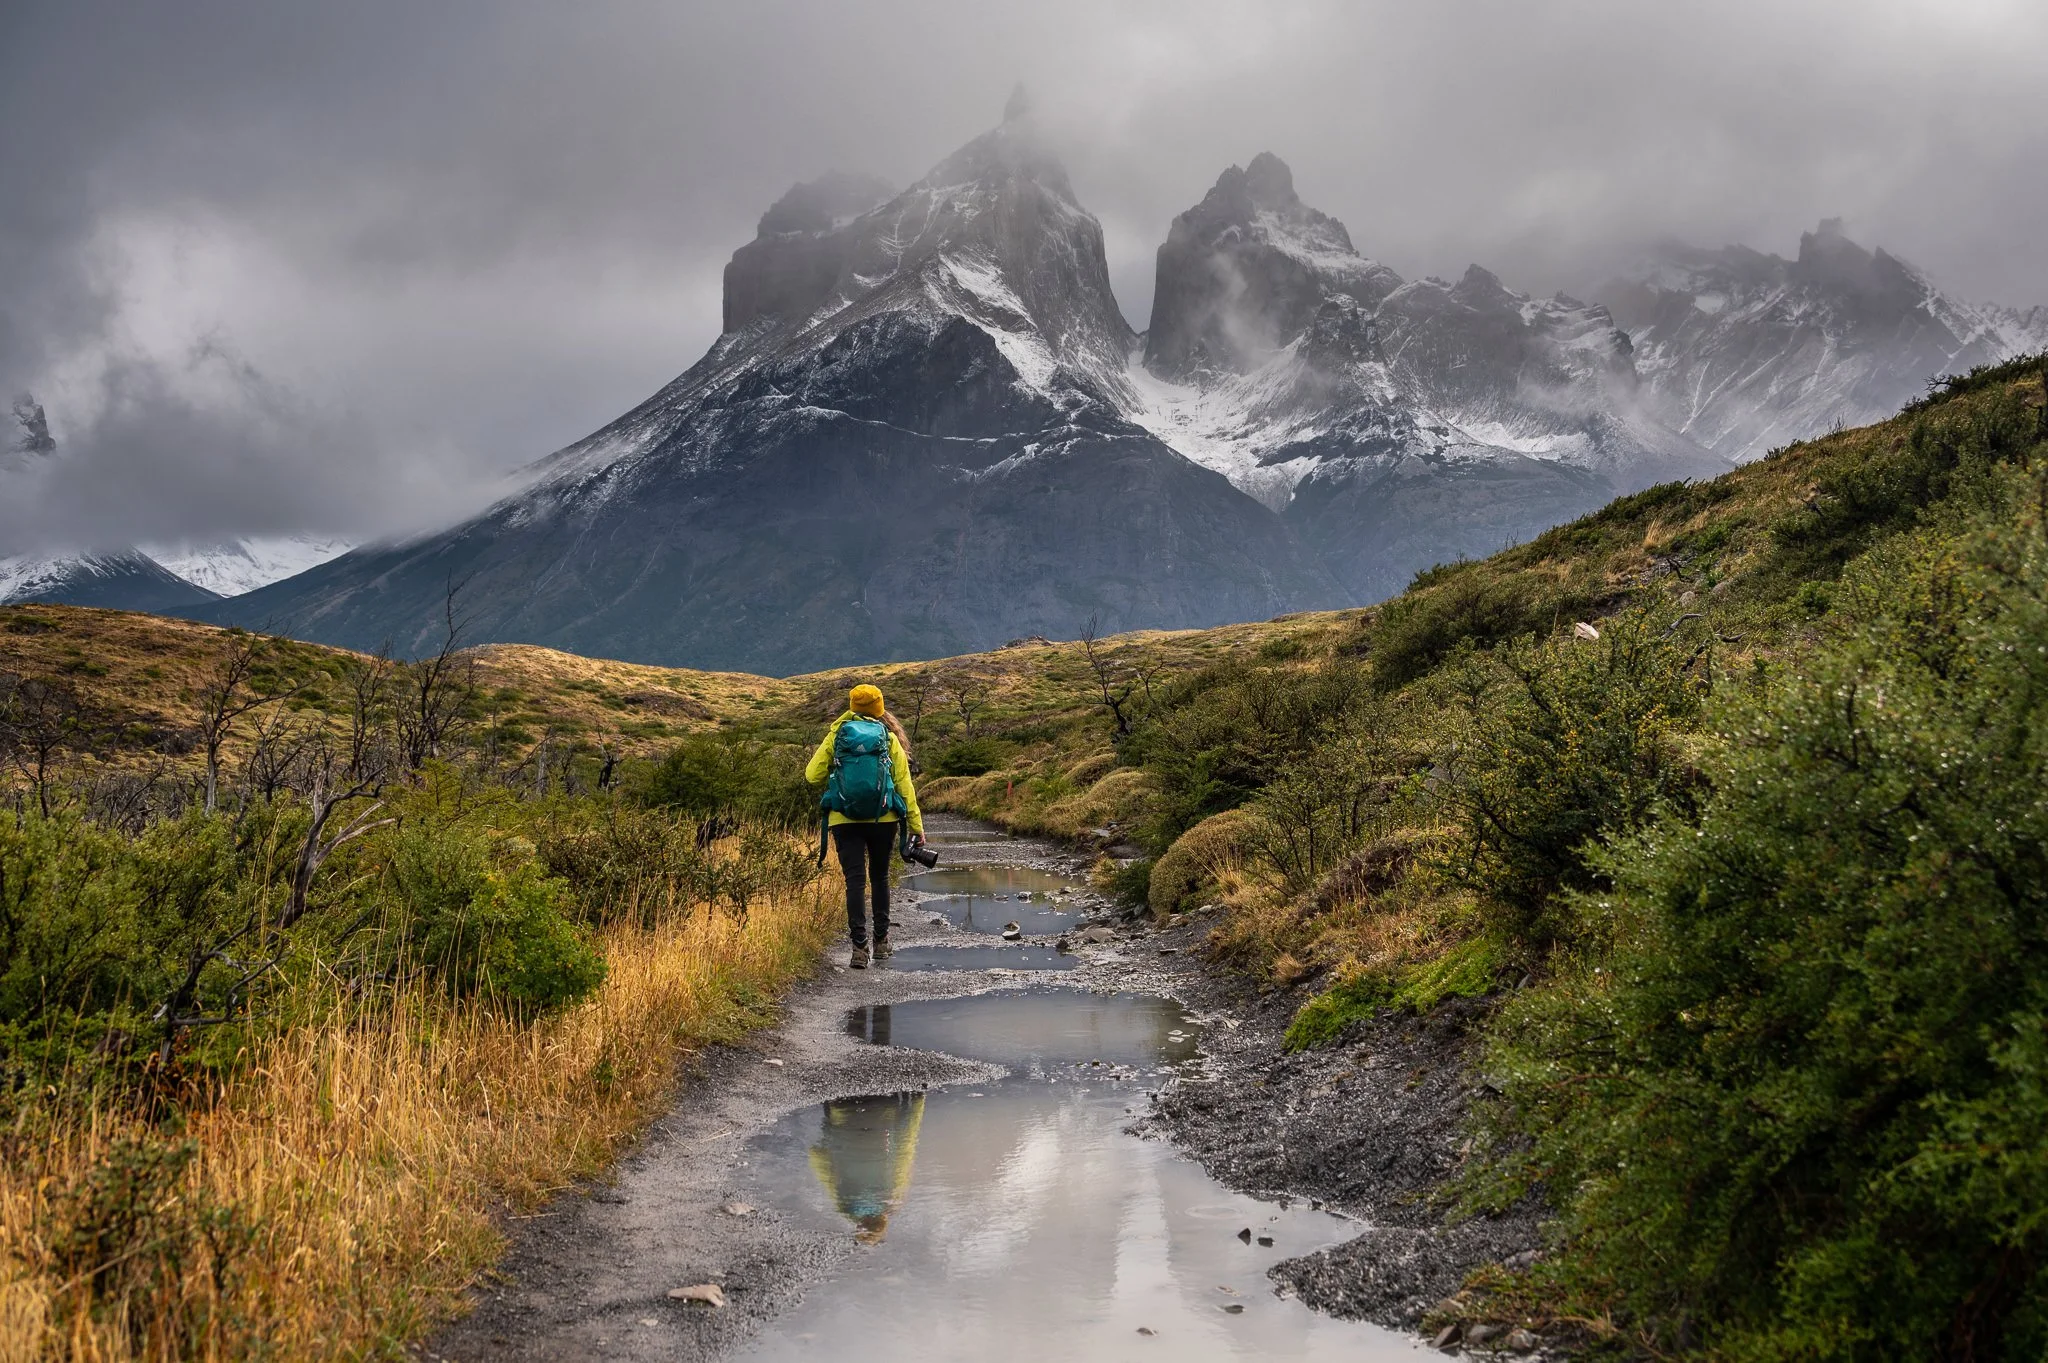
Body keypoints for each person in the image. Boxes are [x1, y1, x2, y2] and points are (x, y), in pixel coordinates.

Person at [807, 684, 924, 968]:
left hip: (844, 819)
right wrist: (916, 826)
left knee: (855, 882)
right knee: (880, 878)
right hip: (884, 819)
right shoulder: (888, 738)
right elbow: (904, 786)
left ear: (852, 706)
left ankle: (859, 949)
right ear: (879, 707)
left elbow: (812, 775)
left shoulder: (837, 735)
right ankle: (881, 942)